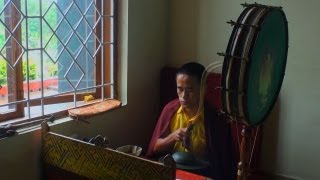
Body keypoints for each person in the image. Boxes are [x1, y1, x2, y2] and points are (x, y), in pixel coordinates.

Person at [146, 62, 236, 179]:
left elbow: (221, 163)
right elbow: (155, 149)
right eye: (180, 89)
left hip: (201, 173)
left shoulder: (215, 119)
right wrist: (173, 137)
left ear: (203, 88)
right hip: (172, 171)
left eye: (190, 90)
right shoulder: (170, 110)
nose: (183, 96)